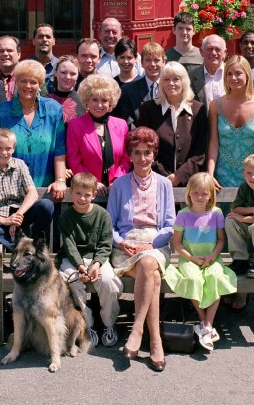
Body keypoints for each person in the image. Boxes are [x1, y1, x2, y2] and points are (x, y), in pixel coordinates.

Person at [108, 127, 175, 372]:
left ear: (154, 155)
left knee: (149, 264)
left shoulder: (164, 185)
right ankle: (155, 342)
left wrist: (154, 243)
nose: (142, 158)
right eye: (137, 152)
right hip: (127, 246)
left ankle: (137, 330)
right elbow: (111, 226)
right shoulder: (120, 185)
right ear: (130, 155)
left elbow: (170, 224)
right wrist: (120, 242)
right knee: (152, 277)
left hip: (155, 243)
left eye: (147, 153)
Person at [0, 60, 68, 203]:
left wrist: (60, 180)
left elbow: (59, 149)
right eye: (23, 81)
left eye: (33, 82)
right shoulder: (2, 111)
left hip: (45, 188)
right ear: (16, 82)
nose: (28, 86)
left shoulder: (53, 109)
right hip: (9, 190)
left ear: (40, 84)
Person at [164, 172, 237, 351]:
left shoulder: (217, 213)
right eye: (195, 193)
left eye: (204, 194)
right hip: (189, 258)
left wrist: (212, 256)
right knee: (194, 279)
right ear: (189, 193)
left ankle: (207, 325)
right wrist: (191, 258)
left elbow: (221, 240)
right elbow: (177, 242)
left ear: (211, 195)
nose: (199, 197)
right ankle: (203, 320)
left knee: (216, 278)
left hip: (212, 258)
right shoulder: (183, 214)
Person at [57, 172, 122, 348]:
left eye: (87, 195)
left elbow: (105, 244)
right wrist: (80, 268)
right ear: (71, 192)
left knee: (108, 281)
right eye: (78, 193)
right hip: (74, 260)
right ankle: (88, 324)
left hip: (97, 260)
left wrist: (96, 265)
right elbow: (69, 246)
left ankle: (108, 324)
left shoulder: (102, 215)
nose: (82, 198)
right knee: (72, 281)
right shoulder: (65, 218)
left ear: (94, 195)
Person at [0, 128, 54, 247]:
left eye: (8, 148)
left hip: (19, 214)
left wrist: (17, 216)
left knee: (46, 205)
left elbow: (32, 193)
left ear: (13, 148)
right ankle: (19, 243)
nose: (4, 153)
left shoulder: (19, 164)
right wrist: (5, 221)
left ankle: (36, 246)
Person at [136, 61, 208, 187]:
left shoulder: (198, 109)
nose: (171, 83)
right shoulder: (148, 109)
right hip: (155, 181)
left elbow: (200, 150)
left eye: (176, 79)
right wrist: (165, 176)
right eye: (166, 79)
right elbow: (144, 147)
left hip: (191, 184)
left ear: (184, 82)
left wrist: (180, 176)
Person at [207, 55, 254, 188]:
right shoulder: (215, 105)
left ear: (247, 75)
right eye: (229, 74)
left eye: (238, 73)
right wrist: (210, 174)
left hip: (250, 177)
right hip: (220, 177)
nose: (233, 78)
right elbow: (213, 142)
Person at [67, 74, 131, 193]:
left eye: (104, 100)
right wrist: (92, 182)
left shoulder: (121, 125)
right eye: (95, 100)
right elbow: (73, 159)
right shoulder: (75, 125)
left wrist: (118, 180)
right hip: (86, 191)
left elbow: (126, 158)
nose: (99, 105)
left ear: (111, 102)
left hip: (116, 189)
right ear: (87, 101)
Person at [114, 42, 166, 127]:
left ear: (164, 62)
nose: (152, 64)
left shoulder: (170, 87)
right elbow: (128, 122)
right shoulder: (128, 90)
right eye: (148, 60)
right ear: (142, 63)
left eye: (156, 60)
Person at [44, 55, 86, 122]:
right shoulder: (44, 101)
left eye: (73, 74)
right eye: (63, 72)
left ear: (78, 75)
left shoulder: (84, 102)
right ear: (55, 73)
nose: (68, 77)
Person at [188, 34, 227, 105]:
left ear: (224, 53)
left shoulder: (232, 74)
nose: (213, 53)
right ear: (201, 52)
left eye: (218, 49)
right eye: (209, 49)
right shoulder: (191, 76)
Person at [0, 35, 21, 102]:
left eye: (9, 50)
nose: (5, 54)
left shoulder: (31, 76)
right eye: (1, 51)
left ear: (18, 54)